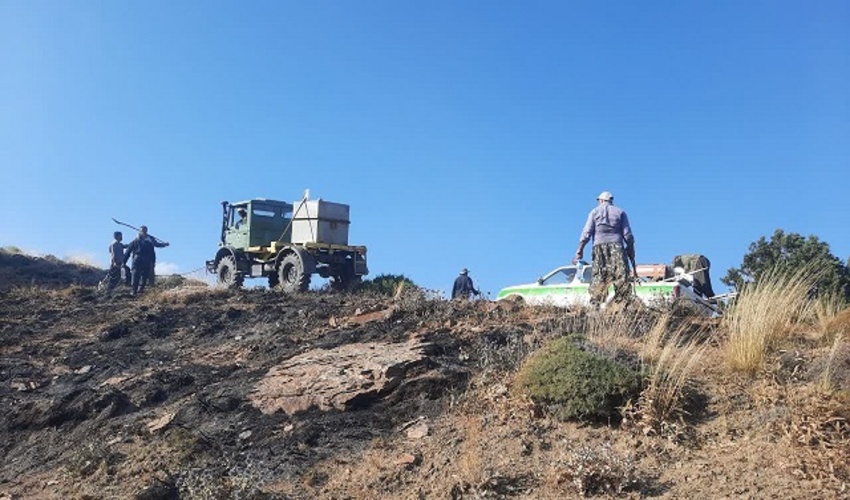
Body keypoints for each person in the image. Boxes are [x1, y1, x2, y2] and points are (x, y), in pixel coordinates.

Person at [573, 191, 636, 306]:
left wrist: (580, 250)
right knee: (621, 277)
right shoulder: (620, 212)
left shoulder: (594, 212)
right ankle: (623, 306)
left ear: (601, 201)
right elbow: (627, 235)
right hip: (617, 248)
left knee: (599, 278)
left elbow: (586, 233)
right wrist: (630, 249)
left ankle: (596, 306)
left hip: (599, 249)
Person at [124, 226, 166, 295]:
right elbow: (128, 251)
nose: (143, 232)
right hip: (137, 259)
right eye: (142, 231)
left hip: (147, 260)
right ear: (139, 231)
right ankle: (134, 290)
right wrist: (124, 262)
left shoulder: (149, 241)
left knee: (145, 275)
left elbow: (155, 247)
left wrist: (164, 245)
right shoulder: (136, 241)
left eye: (145, 231)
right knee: (135, 274)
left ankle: (141, 288)